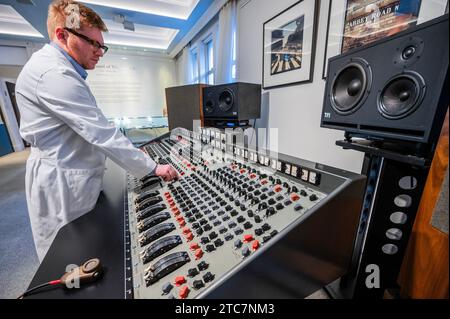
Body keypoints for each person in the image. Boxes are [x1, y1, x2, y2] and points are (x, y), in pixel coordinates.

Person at [15, 0, 178, 262]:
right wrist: (152, 168)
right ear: (62, 34)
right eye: (94, 43)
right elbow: (101, 132)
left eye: (102, 45)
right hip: (62, 186)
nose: (100, 51)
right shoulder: (53, 73)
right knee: (70, 259)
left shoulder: (62, 70)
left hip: (73, 173)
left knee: (85, 252)